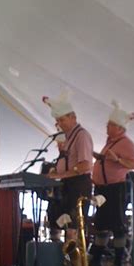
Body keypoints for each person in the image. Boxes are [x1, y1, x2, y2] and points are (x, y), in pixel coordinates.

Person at [89, 100, 134, 266]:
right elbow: (107, 160)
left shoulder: (126, 143)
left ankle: (118, 262)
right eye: (107, 124)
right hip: (103, 189)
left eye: (110, 125)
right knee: (101, 224)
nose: (107, 127)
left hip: (115, 189)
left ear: (120, 128)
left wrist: (117, 160)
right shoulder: (110, 143)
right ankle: (96, 260)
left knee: (117, 226)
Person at [43, 90, 94, 242]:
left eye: (62, 120)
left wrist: (60, 175)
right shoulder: (69, 136)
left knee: (72, 227)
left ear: (73, 117)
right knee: (58, 223)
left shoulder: (82, 135)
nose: (59, 124)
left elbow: (85, 165)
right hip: (67, 185)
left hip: (78, 185)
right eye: (57, 121)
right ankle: (59, 258)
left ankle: (73, 262)